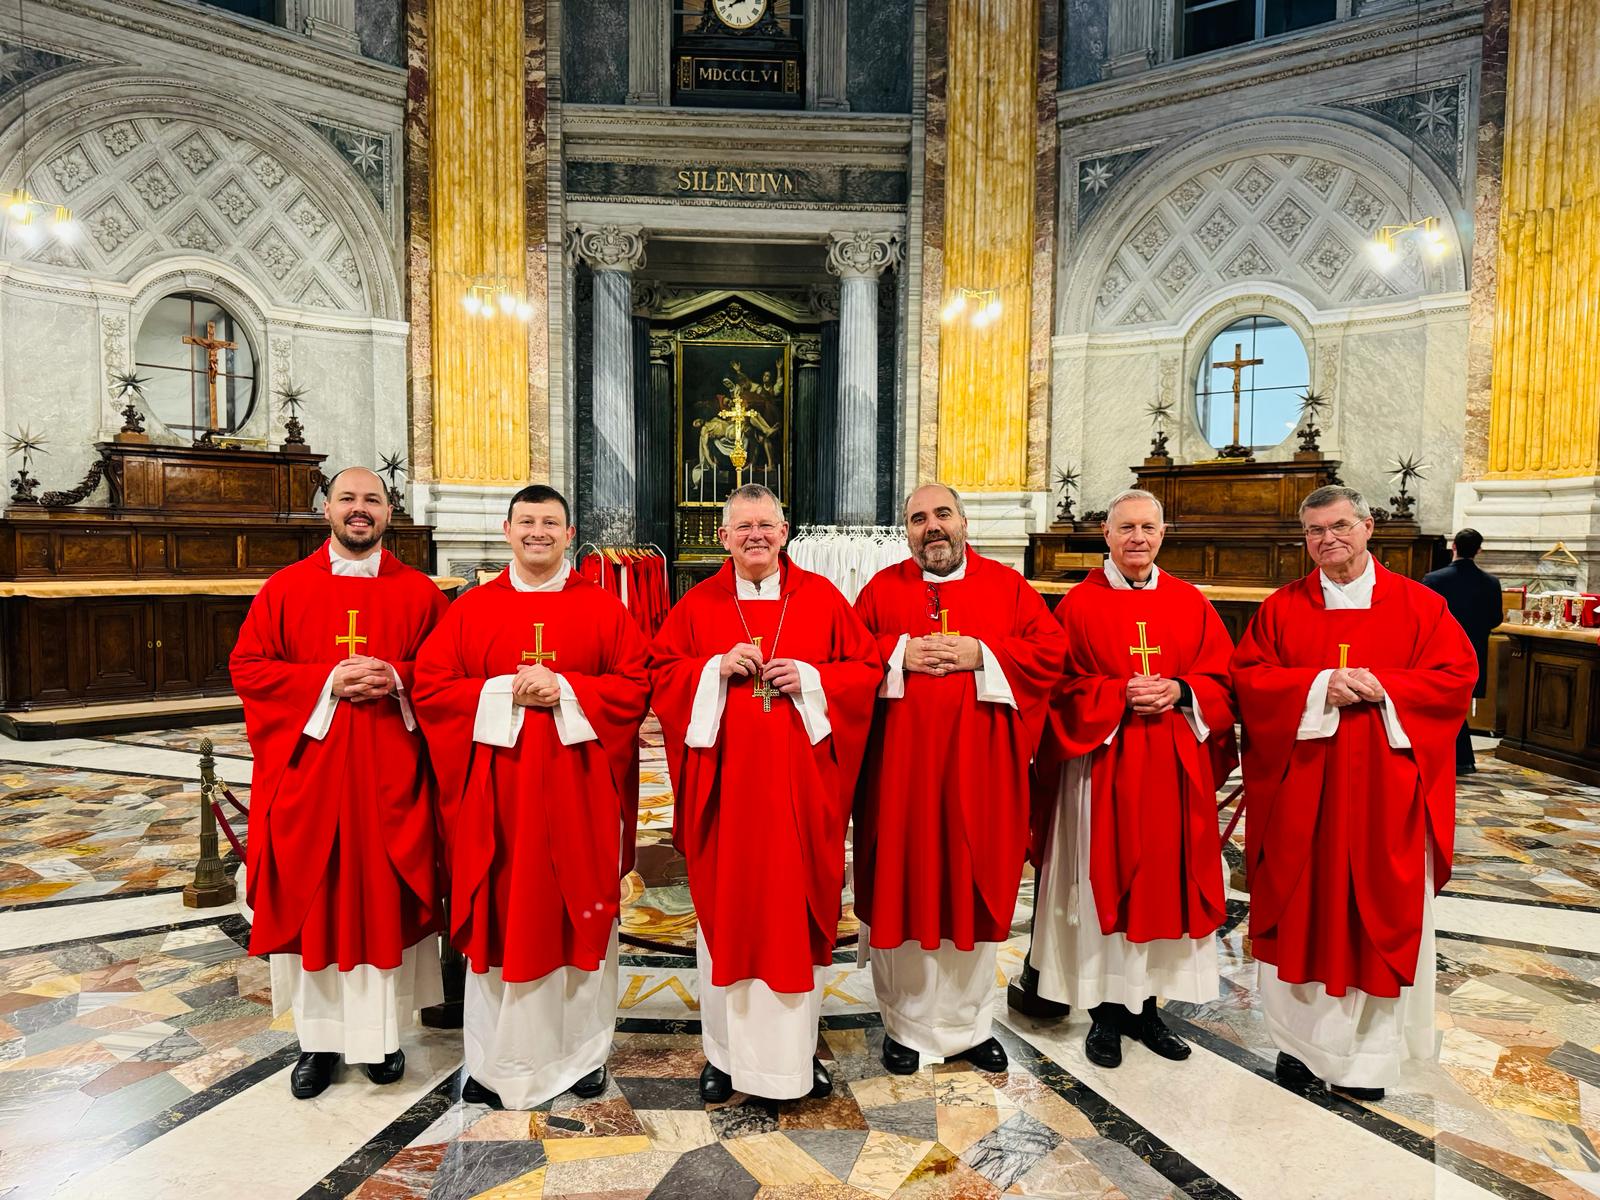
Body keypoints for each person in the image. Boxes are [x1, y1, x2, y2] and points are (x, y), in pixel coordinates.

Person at [1232, 485, 1474, 1099]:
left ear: (1368, 527)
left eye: (1339, 526)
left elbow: (1455, 678)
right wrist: (1318, 687)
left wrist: (1382, 688)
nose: (1327, 540)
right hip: (1303, 798)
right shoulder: (1282, 610)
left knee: (1377, 918)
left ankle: (1367, 1061)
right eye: (1314, 531)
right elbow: (1250, 681)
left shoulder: (1421, 606)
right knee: (1301, 912)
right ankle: (1298, 1046)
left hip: (1386, 801)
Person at [413, 485, 649, 1110]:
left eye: (550, 522)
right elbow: (432, 690)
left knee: (578, 916)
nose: (538, 532)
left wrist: (566, 689)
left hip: (580, 798)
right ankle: (496, 1061)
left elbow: (634, 688)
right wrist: (506, 692)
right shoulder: (468, 610)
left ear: (570, 534)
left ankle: (582, 1057)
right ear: (507, 530)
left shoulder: (604, 609)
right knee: (502, 919)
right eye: (526, 522)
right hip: (496, 803)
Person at [648, 484, 881, 1103]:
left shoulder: (824, 599)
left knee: (796, 913)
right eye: (743, 526)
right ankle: (723, 1056)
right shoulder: (696, 606)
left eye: (766, 525)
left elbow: (864, 673)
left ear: (785, 532)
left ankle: (796, 1055)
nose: (755, 535)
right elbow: (660, 675)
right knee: (729, 914)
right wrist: (711, 670)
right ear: (723, 537)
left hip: (803, 795)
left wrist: (808, 677)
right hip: (727, 796)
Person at [231, 466, 448, 1099]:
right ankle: (318, 1044)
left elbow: (444, 672)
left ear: (388, 513)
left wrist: (399, 676)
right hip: (312, 783)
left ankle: (382, 1040)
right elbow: (248, 667)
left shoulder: (419, 595)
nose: (360, 510)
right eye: (348, 499)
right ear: (327, 510)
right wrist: (325, 681)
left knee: (380, 902)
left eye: (372, 501)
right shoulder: (285, 589)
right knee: (317, 903)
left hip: (389, 782)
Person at [1013, 489, 1236, 1069]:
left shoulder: (1192, 604)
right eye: (1126, 528)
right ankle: (1105, 1014)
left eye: (1149, 528)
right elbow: (1053, 689)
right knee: (1099, 887)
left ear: (1163, 534)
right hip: (1100, 771)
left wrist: (1182, 690)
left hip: (1170, 771)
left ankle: (1147, 1009)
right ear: (1106, 535)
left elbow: (1224, 680)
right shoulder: (1076, 608)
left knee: (1163, 888)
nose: (1138, 538)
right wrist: (1116, 694)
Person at [853, 483, 1065, 1075]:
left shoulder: (1007, 587)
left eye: (942, 514)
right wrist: (898, 654)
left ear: (964, 522)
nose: (932, 527)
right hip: (901, 780)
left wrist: (983, 653)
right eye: (918, 519)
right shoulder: (880, 590)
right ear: (908, 533)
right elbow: (843, 659)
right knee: (907, 885)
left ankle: (971, 1027)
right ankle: (904, 1025)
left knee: (973, 886)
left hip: (983, 777)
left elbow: (1051, 653)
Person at [1423, 529, 1503, 773]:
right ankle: (1462, 758)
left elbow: (1423, 618)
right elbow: (1495, 619)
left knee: (1441, 706)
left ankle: (1455, 758)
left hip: (1440, 650)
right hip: (1474, 651)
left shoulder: (1434, 580)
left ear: (1453, 546)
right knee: (1458, 705)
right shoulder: (1491, 582)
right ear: (1479, 550)